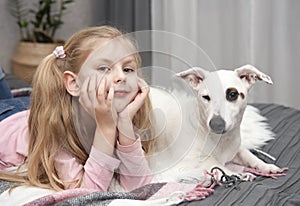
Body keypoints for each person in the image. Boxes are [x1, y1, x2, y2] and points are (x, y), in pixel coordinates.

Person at [0, 26, 154, 192]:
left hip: (23, 108)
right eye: (104, 68)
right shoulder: (57, 128)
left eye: (128, 69)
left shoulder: (126, 118)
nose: (122, 77)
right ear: (74, 83)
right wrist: (106, 127)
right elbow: (88, 195)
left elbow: (141, 188)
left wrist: (125, 125)